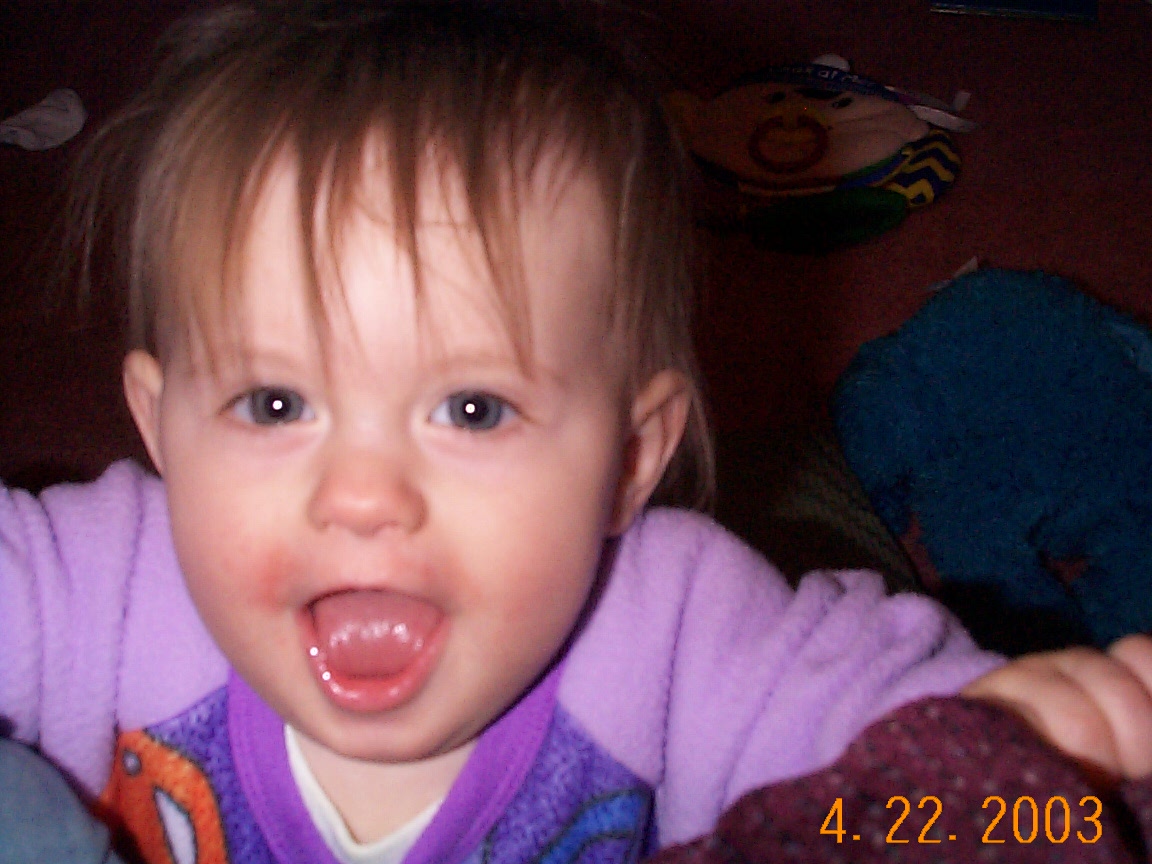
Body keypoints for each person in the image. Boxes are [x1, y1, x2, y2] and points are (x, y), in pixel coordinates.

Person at [3, 2, 1152, 862]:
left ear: (631, 460)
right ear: (159, 426)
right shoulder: (100, 586)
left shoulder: (674, 629)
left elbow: (859, 713)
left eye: (472, 408)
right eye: (273, 404)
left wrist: (995, 741)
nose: (359, 495)